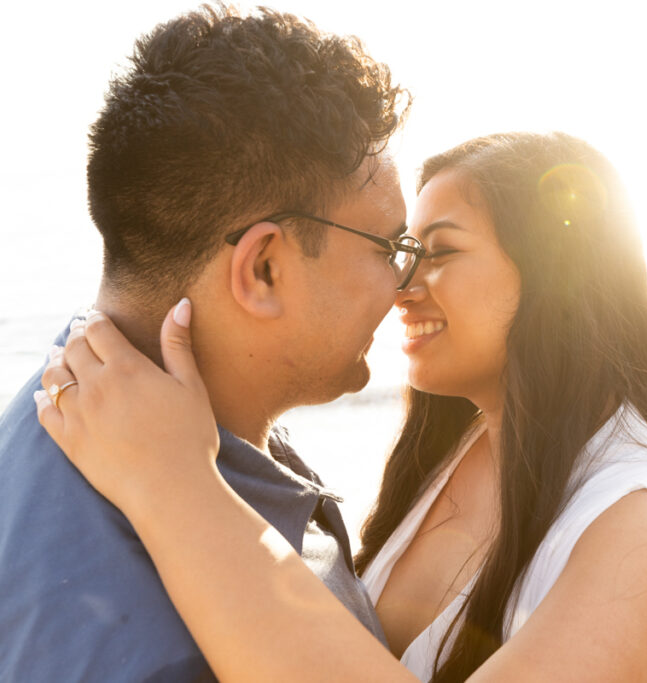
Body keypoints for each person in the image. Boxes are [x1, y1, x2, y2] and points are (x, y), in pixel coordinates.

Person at [36, 132, 647, 682]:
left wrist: (174, 484)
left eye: (437, 252)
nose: (400, 284)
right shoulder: (461, 448)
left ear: (559, 279)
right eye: (401, 251)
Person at [0, 5, 414, 680]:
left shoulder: (67, 419)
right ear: (264, 269)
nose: (403, 282)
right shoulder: (158, 646)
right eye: (388, 247)